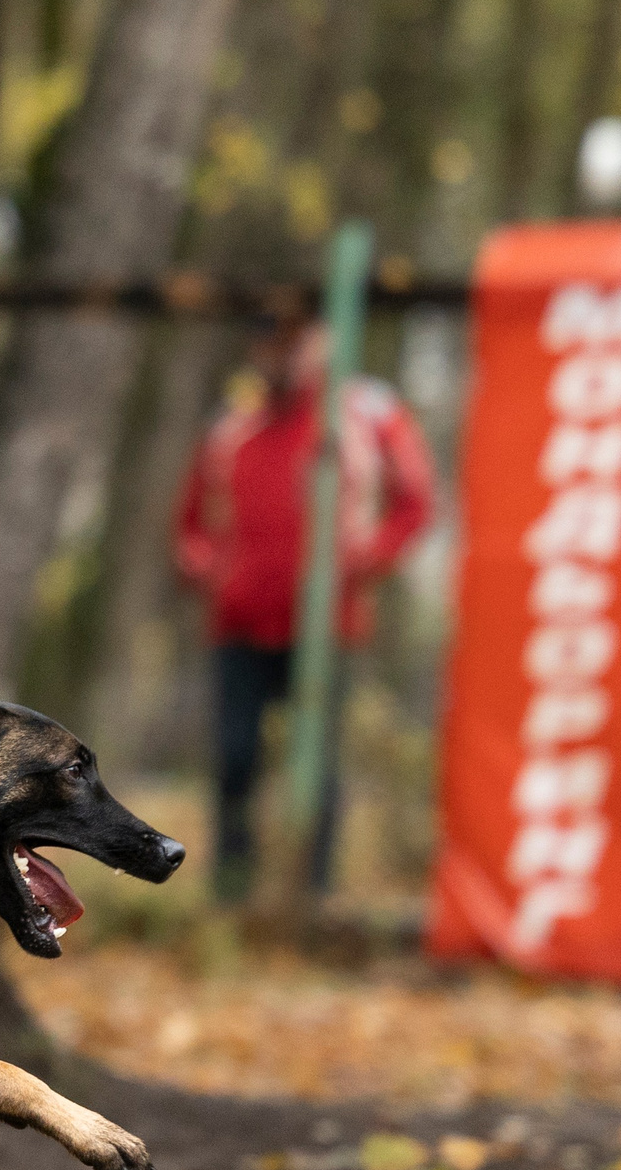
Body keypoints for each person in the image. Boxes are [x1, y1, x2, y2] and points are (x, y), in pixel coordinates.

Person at [174, 316, 436, 904]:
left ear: (321, 341)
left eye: (292, 340)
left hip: (326, 626)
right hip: (239, 624)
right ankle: (231, 890)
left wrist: (360, 563)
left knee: (317, 764)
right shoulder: (230, 425)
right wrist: (211, 572)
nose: (277, 355)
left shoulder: (366, 415)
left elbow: (416, 504)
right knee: (235, 756)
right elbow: (189, 525)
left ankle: (312, 895)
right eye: (266, 340)